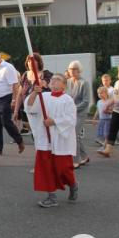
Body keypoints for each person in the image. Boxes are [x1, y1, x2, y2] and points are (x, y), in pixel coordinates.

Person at [24, 73, 78, 208]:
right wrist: (34, 94)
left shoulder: (68, 100)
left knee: (63, 168)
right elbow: (30, 108)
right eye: (52, 79)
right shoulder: (43, 96)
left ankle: (72, 184)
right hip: (45, 139)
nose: (53, 81)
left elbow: (71, 119)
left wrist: (54, 122)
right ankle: (52, 197)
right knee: (46, 168)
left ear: (64, 85)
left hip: (61, 139)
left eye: (57, 80)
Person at [0, 50, 25, 155]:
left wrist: (13, 100)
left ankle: (19, 140)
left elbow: (15, 85)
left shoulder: (8, 67)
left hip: (6, 98)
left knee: (6, 122)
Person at [13, 53, 53, 136]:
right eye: (29, 61)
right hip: (28, 109)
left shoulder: (45, 74)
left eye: (33, 61)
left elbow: (44, 84)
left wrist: (39, 80)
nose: (30, 63)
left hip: (42, 109)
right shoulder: (25, 75)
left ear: (39, 62)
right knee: (34, 133)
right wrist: (16, 111)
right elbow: (20, 95)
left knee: (44, 132)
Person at [66, 61, 92, 168]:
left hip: (81, 112)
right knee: (76, 136)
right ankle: (85, 156)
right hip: (70, 112)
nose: (72, 71)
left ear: (79, 70)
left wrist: (73, 108)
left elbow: (86, 101)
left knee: (74, 135)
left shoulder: (84, 83)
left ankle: (76, 160)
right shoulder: (67, 82)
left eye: (75, 69)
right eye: (70, 69)